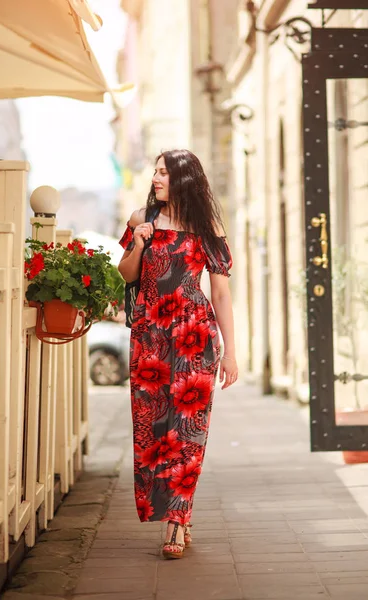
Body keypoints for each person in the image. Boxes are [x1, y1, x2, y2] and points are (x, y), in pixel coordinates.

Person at [118, 149, 238, 559]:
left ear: (183, 179)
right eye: (154, 172)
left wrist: (231, 353)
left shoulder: (208, 227)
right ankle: (174, 512)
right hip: (149, 336)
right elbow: (126, 274)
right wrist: (137, 243)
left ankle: (176, 521)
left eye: (163, 173)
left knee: (188, 430)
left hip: (194, 336)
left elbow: (220, 291)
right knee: (154, 430)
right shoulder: (141, 219)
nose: (155, 179)